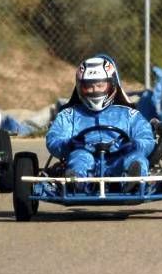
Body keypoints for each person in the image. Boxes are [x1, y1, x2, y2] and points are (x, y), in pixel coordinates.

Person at [46, 54, 155, 191]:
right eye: (89, 87)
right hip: (85, 155)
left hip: (119, 156)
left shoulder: (129, 114)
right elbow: (54, 139)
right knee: (79, 158)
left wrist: (134, 145)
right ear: (80, 87)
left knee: (135, 158)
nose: (95, 90)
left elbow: (146, 137)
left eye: (100, 85)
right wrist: (68, 144)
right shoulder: (69, 115)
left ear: (112, 85)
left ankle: (132, 180)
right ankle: (76, 181)